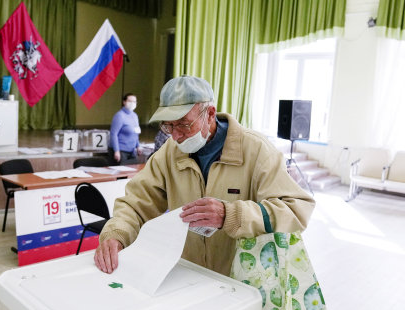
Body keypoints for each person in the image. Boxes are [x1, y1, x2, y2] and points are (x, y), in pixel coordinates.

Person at [94, 75, 315, 277]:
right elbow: (136, 204)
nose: (176, 135)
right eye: (168, 126)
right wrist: (117, 234)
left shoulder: (256, 150)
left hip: (243, 279)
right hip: (190, 275)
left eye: (183, 124)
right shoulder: (169, 154)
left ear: (209, 114)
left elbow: (297, 209)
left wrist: (231, 215)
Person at [109, 93, 141, 165]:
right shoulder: (119, 116)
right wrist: (116, 151)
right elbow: (113, 134)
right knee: (122, 173)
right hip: (121, 151)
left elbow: (136, 133)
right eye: (130, 101)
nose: (132, 103)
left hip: (132, 151)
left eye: (134, 102)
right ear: (124, 102)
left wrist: (138, 146)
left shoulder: (135, 116)